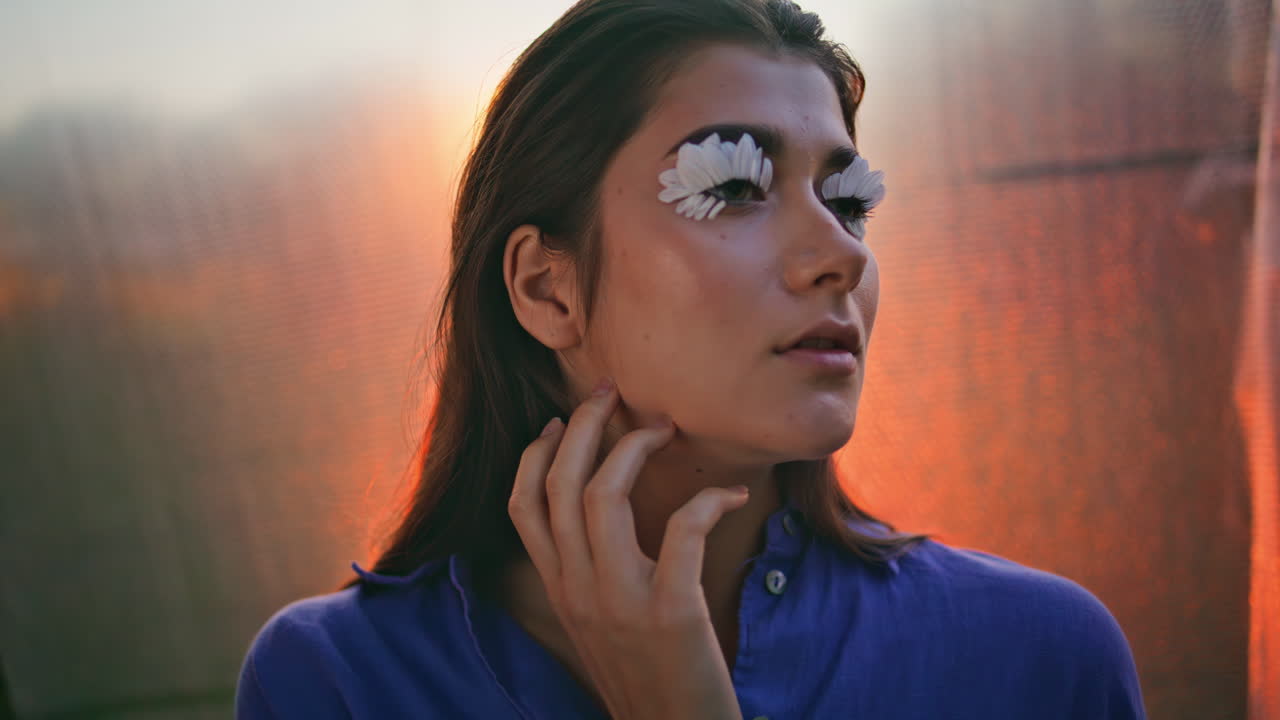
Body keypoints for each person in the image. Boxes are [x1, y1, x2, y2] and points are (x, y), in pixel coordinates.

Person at [235, 0, 1148, 717]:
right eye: (735, 188)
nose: (843, 252)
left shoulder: (1040, 659)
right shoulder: (343, 684)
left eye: (849, 200)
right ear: (547, 290)